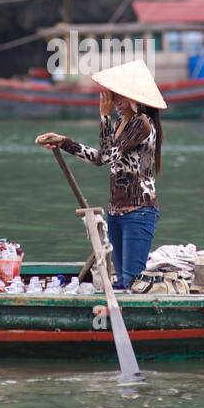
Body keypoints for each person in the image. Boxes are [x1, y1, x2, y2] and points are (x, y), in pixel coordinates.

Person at [34, 60, 166, 290]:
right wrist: (64, 142)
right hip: (117, 211)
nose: (111, 100)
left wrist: (103, 117)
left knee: (132, 283)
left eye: (116, 95)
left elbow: (106, 157)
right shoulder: (121, 124)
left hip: (139, 211)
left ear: (131, 97)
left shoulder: (141, 124)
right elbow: (99, 158)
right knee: (122, 283)